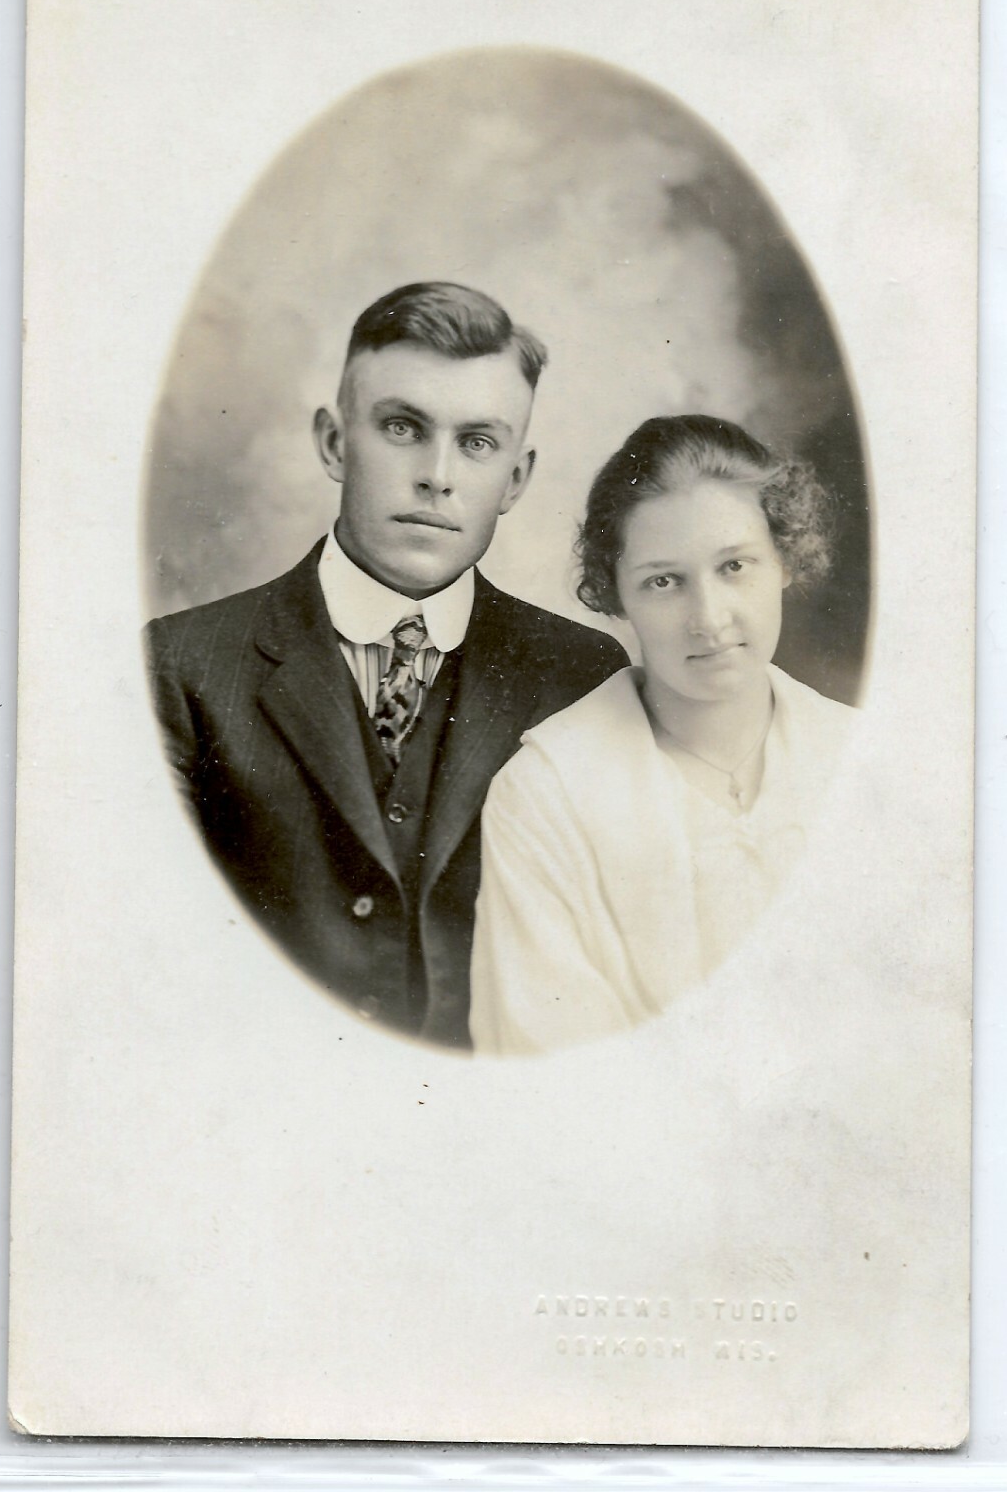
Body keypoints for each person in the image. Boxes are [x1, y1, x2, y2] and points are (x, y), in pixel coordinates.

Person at [145, 282, 627, 1049]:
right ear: (335, 444)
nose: (437, 474)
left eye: (477, 442)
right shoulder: (180, 666)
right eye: (402, 427)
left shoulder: (583, 676)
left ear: (515, 479)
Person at [469, 414, 858, 1055]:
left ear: (785, 560)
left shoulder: (864, 756)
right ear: (615, 595)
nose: (708, 619)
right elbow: (548, 1061)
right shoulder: (544, 794)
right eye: (664, 581)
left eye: (735, 566)